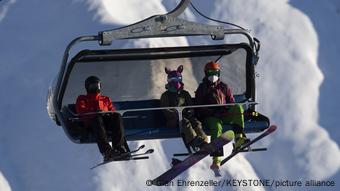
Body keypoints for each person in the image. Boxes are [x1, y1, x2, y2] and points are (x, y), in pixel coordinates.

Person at [195, 61, 249, 170]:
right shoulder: (202, 89)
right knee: (217, 126)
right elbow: (199, 107)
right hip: (209, 117)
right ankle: (216, 159)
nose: (213, 76)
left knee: (238, 107)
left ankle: (239, 139)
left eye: (215, 72)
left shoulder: (224, 87)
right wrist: (213, 112)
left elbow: (231, 102)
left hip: (223, 114)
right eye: (210, 73)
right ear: (206, 73)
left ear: (219, 73)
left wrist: (225, 109)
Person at [76, 76, 129, 162]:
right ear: (87, 88)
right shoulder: (82, 99)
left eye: (97, 86)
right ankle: (107, 151)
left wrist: (108, 114)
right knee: (97, 118)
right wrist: (94, 112)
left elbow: (112, 110)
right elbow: (81, 111)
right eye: (93, 86)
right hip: (92, 124)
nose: (96, 88)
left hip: (106, 122)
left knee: (117, 116)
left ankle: (118, 147)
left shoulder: (105, 99)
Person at [160, 65, 208, 150]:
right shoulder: (166, 95)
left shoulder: (185, 94)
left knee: (196, 122)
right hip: (173, 120)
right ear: (169, 81)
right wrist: (177, 114)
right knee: (185, 122)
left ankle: (204, 141)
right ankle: (194, 141)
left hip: (186, 117)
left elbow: (190, 106)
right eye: (174, 80)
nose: (176, 82)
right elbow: (166, 110)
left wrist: (190, 111)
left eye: (178, 80)